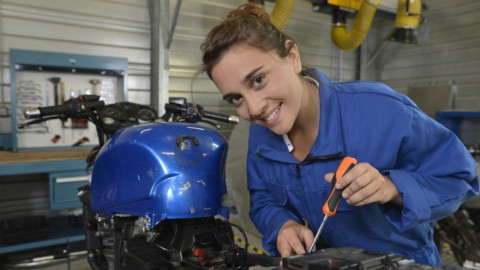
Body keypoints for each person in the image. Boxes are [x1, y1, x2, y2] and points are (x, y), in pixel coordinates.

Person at [199, 2, 479, 266]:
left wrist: (391, 188)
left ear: (293, 57)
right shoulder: (262, 132)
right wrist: (283, 225)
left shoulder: (382, 109)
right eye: (236, 98)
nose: (254, 108)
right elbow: (263, 201)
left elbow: (458, 176)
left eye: (258, 80)